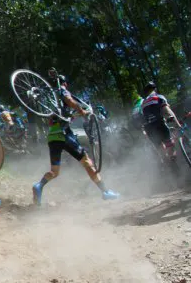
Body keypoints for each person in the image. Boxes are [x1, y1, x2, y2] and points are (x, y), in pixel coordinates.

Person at [32, 74, 119, 205]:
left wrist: (81, 113)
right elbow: (69, 100)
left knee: (54, 171)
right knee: (87, 162)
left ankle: (39, 186)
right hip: (64, 134)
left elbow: (67, 114)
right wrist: (80, 109)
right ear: (65, 83)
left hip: (52, 136)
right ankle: (105, 192)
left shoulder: (53, 100)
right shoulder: (62, 90)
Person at [140, 81, 183, 159]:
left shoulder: (143, 103)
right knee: (170, 145)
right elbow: (167, 110)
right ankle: (173, 161)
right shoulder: (158, 97)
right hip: (159, 124)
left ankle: (167, 165)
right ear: (155, 89)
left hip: (148, 128)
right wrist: (178, 124)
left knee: (160, 148)